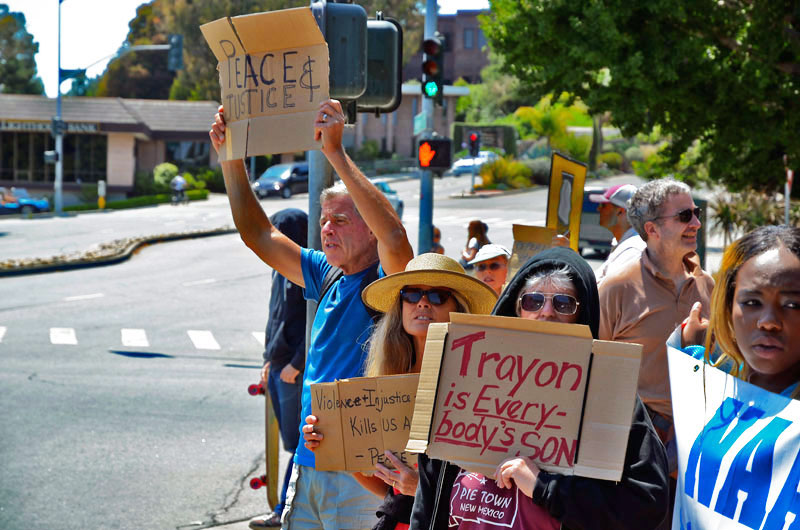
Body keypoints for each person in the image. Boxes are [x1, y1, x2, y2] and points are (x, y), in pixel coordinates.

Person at [210, 98, 414, 530]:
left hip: (361, 473)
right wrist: (231, 160)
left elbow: (395, 236)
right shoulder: (327, 275)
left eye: (340, 220)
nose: (326, 229)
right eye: (324, 220)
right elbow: (259, 235)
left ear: (368, 230)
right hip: (309, 462)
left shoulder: (388, 285)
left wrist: (334, 152)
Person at [411, 247, 670, 529]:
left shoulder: (611, 396)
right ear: (516, 308)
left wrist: (544, 488)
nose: (546, 312)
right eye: (533, 301)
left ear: (582, 314)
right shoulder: (465, 376)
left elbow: (647, 503)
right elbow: (430, 494)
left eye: (563, 303)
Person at [303, 253, 498, 530]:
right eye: (411, 294)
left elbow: (492, 488)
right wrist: (335, 444)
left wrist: (424, 489)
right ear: (401, 306)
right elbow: (388, 488)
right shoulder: (387, 380)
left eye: (438, 295)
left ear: (459, 309)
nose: (422, 302)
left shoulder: (480, 385)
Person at [598, 179, 714, 476]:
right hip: (635, 446)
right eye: (685, 216)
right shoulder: (616, 288)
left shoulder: (708, 285)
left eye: (696, 212)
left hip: (699, 442)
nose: (697, 223)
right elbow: (592, 370)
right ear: (652, 229)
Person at [673, 225, 800, 397]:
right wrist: (692, 353)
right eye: (752, 302)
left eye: (792, 305)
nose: (768, 322)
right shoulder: (721, 380)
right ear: (728, 305)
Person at [249, 209, 308, 529]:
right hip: (277, 366)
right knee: (293, 443)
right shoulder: (279, 269)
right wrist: (267, 360)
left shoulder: (306, 270)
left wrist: (296, 364)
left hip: (293, 371)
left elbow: (315, 322)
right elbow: (275, 318)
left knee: (301, 443)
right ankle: (286, 506)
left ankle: (284, 508)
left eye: (279, 231)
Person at [587, 184, 645, 284]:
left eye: (603, 205)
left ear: (620, 211)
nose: (598, 209)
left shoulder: (633, 250)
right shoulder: (622, 242)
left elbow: (604, 290)